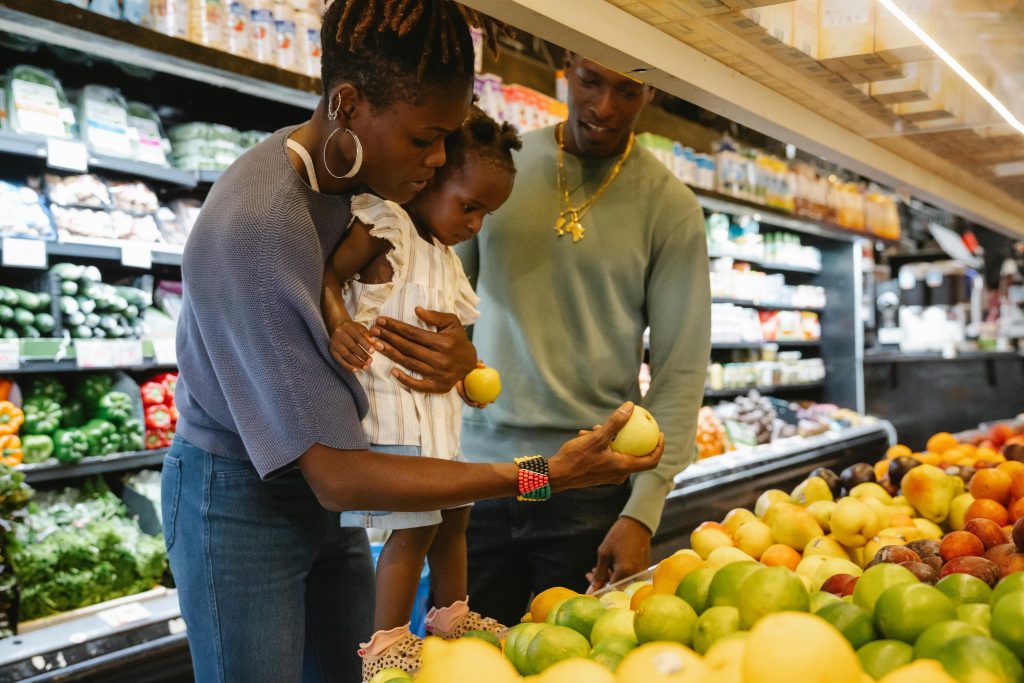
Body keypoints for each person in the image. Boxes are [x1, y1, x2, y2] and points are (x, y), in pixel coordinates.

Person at [164, 2, 663, 681]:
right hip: (240, 497)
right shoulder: (259, 232)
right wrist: (549, 474)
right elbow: (340, 476)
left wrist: (459, 360)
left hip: (325, 488)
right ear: (348, 103)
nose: (439, 159)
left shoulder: (374, 181)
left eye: (449, 138)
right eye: (426, 138)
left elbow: (416, 345)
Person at [458, 53, 712, 625]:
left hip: (588, 488)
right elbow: (447, 308)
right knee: (461, 658)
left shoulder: (670, 207)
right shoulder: (504, 166)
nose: (603, 108)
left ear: (653, 94)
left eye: (627, 92)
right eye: (590, 82)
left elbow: (679, 372)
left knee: (573, 659)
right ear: (565, 68)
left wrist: (643, 511)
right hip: (485, 477)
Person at [321, 105, 522, 680]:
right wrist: (340, 323)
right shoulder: (387, 226)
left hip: (437, 422)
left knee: (455, 514)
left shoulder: (446, 260)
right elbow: (327, 276)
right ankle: (387, 642)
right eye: (470, 206)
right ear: (429, 177)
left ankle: (451, 613)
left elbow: (452, 346)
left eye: (487, 214)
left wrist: (470, 375)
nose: (475, 225)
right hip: (390, 416)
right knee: (414, 528)